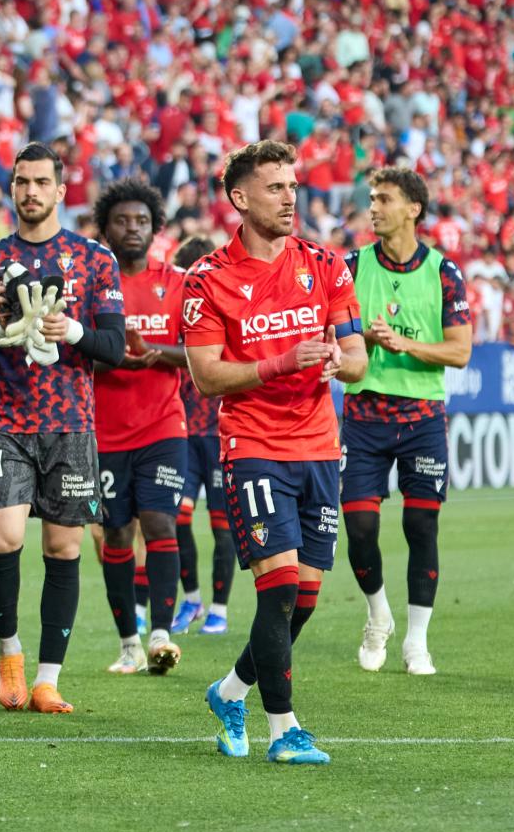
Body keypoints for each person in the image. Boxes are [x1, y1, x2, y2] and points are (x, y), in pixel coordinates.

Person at [187, 140, 367, 767]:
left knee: (306, 598)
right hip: (254, 446)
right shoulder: (208, 278)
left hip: (320, 445)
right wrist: (284, 361)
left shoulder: (325, 263)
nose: (291, 196)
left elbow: (359, 358)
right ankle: (284, 729)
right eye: (275, 187)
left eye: (293, 185)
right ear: (240, 198)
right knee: (281, 588)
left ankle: (230, 690)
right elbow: (208, 376)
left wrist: (344, 363)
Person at [0, 142, 126, 715]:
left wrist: (73, 331)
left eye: (41, 182)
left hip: (72, 425)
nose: (30, 192)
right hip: (6, 422)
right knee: (3, 538)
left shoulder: (96, 259)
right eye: (21, 182)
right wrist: (0, 327)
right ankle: (9, 654)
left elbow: (116, 347)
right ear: (12, 190)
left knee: (63, 547)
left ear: (59, 189)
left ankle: (48, 679)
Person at [342, 168, 471, 676]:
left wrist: (403, 344)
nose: (373, 207)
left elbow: (459, 351)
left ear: (413, 209)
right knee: (358, 526)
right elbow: (336, 339)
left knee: (421, 524)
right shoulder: (351, 266)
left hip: (421, 416)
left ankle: (417, 642)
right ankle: (379, 615)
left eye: (384, 199)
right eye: (371, 198)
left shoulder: (444, 272)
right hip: (365, 414)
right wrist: (365, 342)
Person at [90, 178, 187, 676]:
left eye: (142, 221)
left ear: (156, 229)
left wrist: (156, 355)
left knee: (159, 523)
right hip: (104, 432)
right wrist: (115, 360)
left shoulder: (178, 283)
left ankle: (162, 637)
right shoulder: (91, 282)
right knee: (116, 535)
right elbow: (77, 353)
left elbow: (200, 353)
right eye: (122, 221)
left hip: (163, 426)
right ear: (105, 228)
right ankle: (128, 642)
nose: (133, 229)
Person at [169, 235, 234, 636]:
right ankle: (192, 599)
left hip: (220, 432)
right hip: (183, 432)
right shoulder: (179, 315)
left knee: (222, 526)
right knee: (178, 518)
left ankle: (220, 609)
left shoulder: (225, 310)